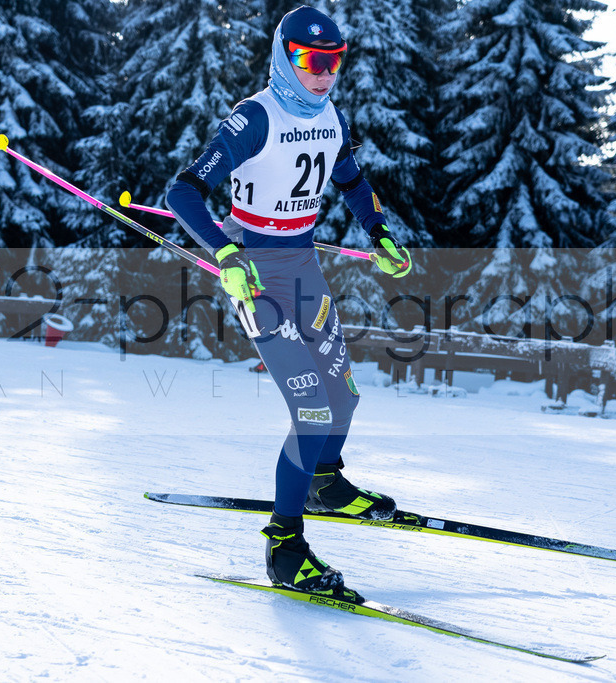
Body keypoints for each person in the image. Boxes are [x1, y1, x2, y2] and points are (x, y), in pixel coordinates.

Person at [166, 6, 411, 593]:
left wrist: (377, 232)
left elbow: (351, 178)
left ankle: (326, 481)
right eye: (310, 61)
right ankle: (284, 547)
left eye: (333, 62)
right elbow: (182, 192)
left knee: (344, 394)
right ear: (284, 58)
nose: (323, 74)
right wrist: (225, 255)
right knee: (312, 411)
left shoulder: (331, 116)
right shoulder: (255, 116)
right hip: (256, 274)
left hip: (304, 266)